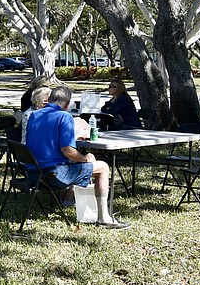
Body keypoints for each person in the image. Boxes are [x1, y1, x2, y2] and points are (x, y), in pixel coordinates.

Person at [26, 86, 130, 229]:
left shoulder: (34, 115)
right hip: (53, 175)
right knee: (103, 167)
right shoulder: (65, 116)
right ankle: (103, 217)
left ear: (49, 100)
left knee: (89, 157)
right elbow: (67, 150)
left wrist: (84, 158)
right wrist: (84, 159)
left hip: (33, 173)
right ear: (68, 104)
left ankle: (74, 200)